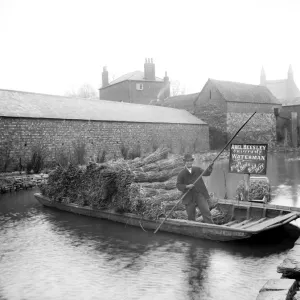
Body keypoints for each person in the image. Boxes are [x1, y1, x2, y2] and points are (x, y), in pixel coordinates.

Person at [176, 153, 214, 223]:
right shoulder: (181, 173)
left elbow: (206, 173)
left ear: (192, 161)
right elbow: (178, 185)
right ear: (185, 162)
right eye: (187, 161)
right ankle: (192, 230)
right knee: (191, 216)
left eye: (190, 161)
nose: (189, 162)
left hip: (200, 194)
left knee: (206, 211)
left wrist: (210, 167)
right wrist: (187, 186)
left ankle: (212, 227)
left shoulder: (197, 169)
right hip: (189, 197)